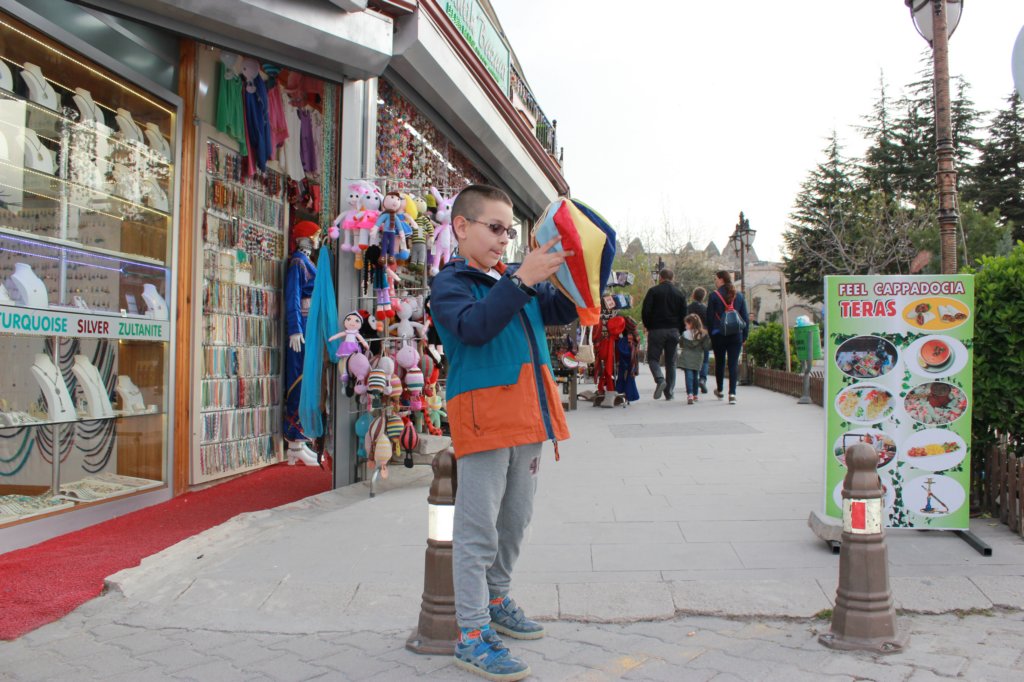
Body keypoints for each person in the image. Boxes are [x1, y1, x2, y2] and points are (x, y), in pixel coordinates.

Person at [431, 183, 578, 682]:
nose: (503, 239)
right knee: (477, 532)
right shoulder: (451, 283)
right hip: (485, 421)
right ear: (461, 227)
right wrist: (519, 281)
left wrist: (581, 266)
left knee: (515, 522)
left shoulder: (514, 278)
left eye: (508, 231)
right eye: (494, 228)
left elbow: (566, 309)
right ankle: (471, 634)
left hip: (529, 419)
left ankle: (497, 601)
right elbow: (473, 328)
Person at [282, 220, 321, 466]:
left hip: (308, 325)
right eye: (315, 235)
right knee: (299, 378)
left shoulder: (306, 262)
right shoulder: (298, 262)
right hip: (302, 327)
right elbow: (293, 296)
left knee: (307, 379)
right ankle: (294, 440)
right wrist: (295, 328)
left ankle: (301, 439)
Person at [641, 269, 687, 400]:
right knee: (671, 362)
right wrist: (680, 330)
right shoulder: (680, 294)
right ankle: (669, 392)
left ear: (660, 278)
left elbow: (646, 311)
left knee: (653, 359)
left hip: (656, 330)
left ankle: (660, 379)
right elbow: (684, 314)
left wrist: (649, 326)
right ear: (673, 278)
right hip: (673, 330)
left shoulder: (653, 291)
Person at [705, 270, 749, 404]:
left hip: (719, 334)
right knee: (733, 363)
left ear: (721, 280)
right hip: (736, 335)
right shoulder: (739, 296)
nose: (715, 281)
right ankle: (732, 394)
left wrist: (712, 334)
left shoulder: (714, 296)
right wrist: (744, 336)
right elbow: (745, 318)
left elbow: (709, 318)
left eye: (716, 279)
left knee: (720, 362)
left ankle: (720, 389)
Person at [679, 313, 712, 405]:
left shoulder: (685, 334)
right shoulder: (703, 334)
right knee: (696, 376)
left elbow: (681, 344)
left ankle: (689, 394)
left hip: (687, 357)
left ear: (691, 324)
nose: (685, 327)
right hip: (698, 357)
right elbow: (706, 347)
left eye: (686, 324)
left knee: (688, 376)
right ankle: (695, 394)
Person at [687, 286, 710, 394]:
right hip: (703, 335)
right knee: (705, 359)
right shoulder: (706, 309)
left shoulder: (688, 308)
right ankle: (702, 379)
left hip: (691, 335)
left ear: (693, 295)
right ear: (703, 297)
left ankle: (693, 382)